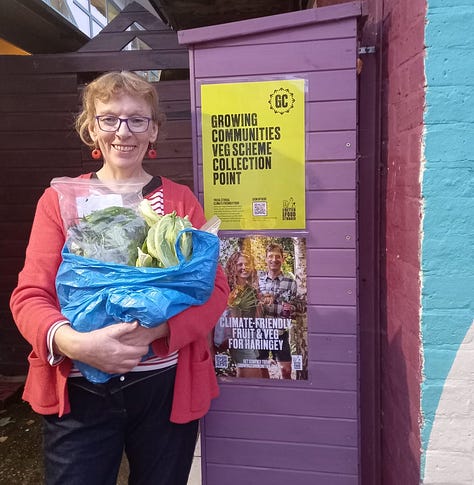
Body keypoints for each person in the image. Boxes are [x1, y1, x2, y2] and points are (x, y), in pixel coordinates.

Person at [9, 71, 229, 485]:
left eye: (137, 119)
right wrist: (78, 344)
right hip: (80, 391)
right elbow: (29, 296)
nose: (122, 131)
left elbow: (215, 290)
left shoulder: (179, 200)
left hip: (164, 388)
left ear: (154, 130)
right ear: (91, 128)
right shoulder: (61, 199)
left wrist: (155, 331)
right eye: (109, 119)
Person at [218, 251, 263, 378]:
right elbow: (230, 317)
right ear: (233, 267)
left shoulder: (251, 289)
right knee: (254, 376)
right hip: (238, 337)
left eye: (247, 264)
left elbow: (256, 316)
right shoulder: (229, 289)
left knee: (245, 374)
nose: (244, 267)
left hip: (252, 336)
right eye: (239, 264)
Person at [258, 242, 297, 379]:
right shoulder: (259, 280)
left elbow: (296, 305)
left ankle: (286, 393)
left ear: (283, 259)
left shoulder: (290, 282)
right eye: (270, 256)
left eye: (277, 256)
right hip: (261, 331)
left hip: (280, 331)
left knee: (286, 369)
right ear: (266, 259)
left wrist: (292, 308)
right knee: (261, 366)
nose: (274, 259)